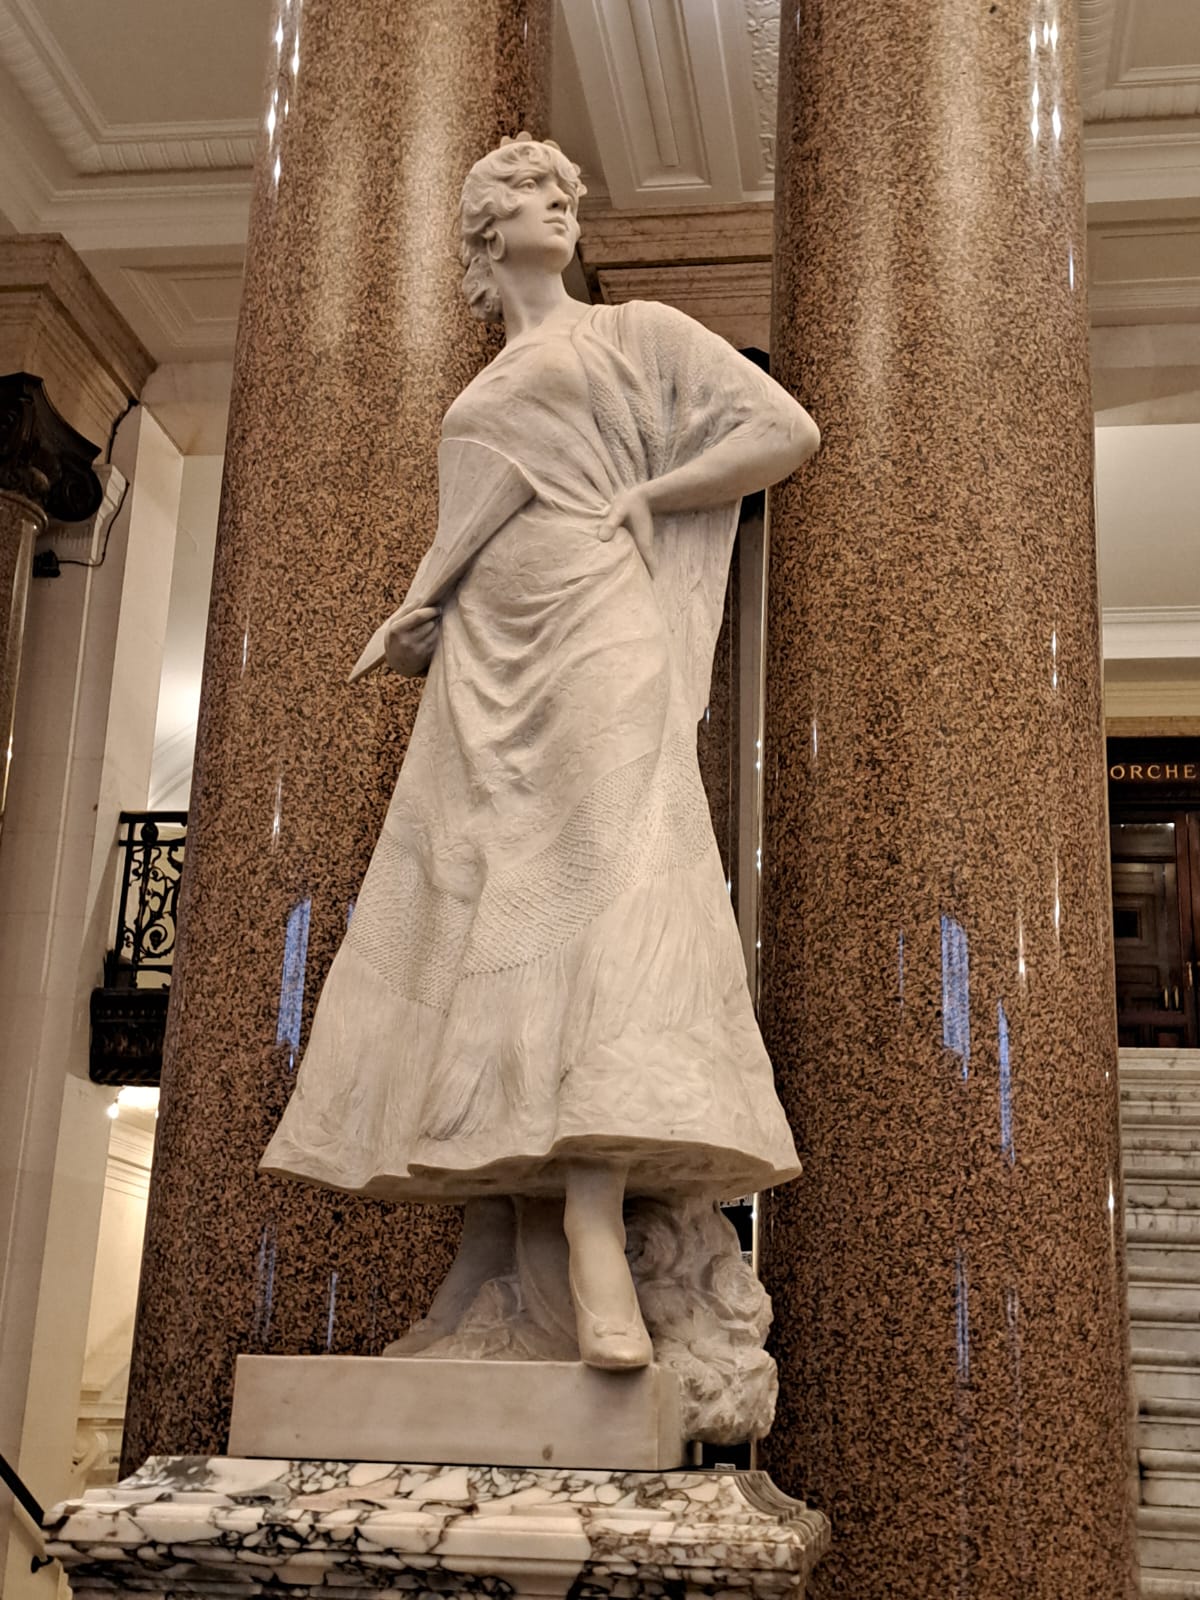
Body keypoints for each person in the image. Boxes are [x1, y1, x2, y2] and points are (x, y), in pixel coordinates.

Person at [261, 134, 820, 1371]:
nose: (561, 205)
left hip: (597, 633)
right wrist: (419, 620)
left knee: (606, 905)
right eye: (532, 192)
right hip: (482, 664)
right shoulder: (480, 391)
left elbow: (784, 427)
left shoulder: (634, 336)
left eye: (568, 194)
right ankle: (485, 1253)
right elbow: (464, 534)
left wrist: (655, 498)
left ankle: (590, 1222)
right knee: (479, 921)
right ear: (483, 228)